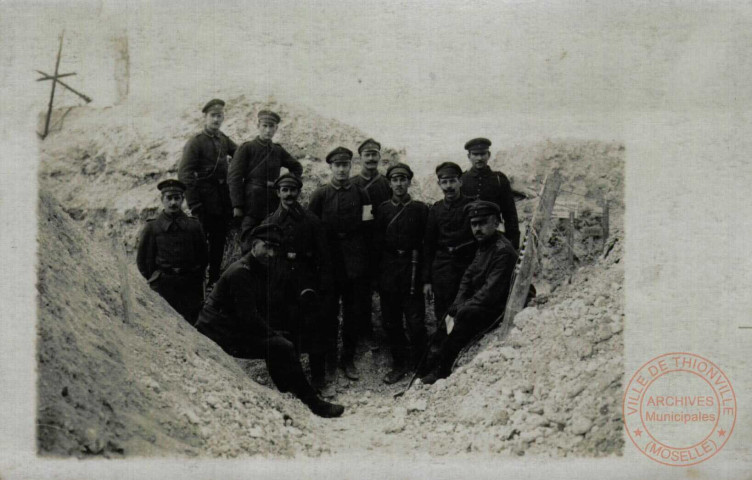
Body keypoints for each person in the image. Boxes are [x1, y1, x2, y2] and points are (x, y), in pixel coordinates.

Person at [193, 224, 344, 418]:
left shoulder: (259, 269)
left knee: (283, 339)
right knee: (281, 345)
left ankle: (287, 391)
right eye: (267, 247)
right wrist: (274, 334)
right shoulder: (241, 272)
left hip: (231, 327)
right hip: (217, 333)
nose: (271, 253)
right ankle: (314, 404)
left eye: (275, 248)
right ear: (254, 245)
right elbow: (249, 318)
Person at [420, 200, 517, 384]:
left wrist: (463, 306)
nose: (477, 229)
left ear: (496, 223)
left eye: (482, 223)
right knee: (448, 316)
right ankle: (429, 366)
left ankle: (443, 371)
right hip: (480, 300)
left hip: (496, 306)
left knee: (463, 316)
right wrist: (458, 301)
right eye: (474, 224)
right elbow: (468, 275)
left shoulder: (502, 251)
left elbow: (490, 291)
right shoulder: (484, 244)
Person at [263, 173, 334, 395]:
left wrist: (322, 286)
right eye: (285, 190)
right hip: (281, 284)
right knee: (285, 330)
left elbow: (324, 256)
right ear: (278, 193)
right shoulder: (270, 223)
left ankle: (319, 379)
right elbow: (264, 257)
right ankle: (290, 381)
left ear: (299, 192)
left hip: (307, 282)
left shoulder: (311, 221)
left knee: (314, 331)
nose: (289, 194)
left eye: (293, 190)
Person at [308, 147, 372, 381]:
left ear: (350, 166)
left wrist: (364, 259)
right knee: (328, 312)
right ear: (331, 168)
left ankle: (348, 358)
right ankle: (330, 360)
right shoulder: (320, 195)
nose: (342, 169)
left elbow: (368, 227)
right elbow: (311, 229)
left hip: (355, 261)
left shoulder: (362, 193)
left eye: (346, 165)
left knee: (353, 312)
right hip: (329, 260)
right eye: (338, 165)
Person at [373, 163, 429, 384]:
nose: (399, 184)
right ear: (389, 183)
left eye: (403, 179)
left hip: (412, 270)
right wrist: (376, 278)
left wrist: (425, 278)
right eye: (395, 180)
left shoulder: (420, 208)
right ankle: (399, 364)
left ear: (409, 181)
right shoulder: (383, 209)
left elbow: (427, 247)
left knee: (416, 323)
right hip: (388, 272)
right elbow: (375, 246)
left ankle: (421, 365)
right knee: (391, 322)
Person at [178, 98, 237, 289]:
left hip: (221, 202)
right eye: (213, 116)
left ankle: (213, 279)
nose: (216, 120)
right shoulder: (196, 142)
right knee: (200, 243)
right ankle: (197, 280)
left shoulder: (223, 140)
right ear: (205, 117)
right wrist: (194, 203)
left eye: (220, 116)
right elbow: (185, 173)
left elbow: (241, 154)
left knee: (218, 241)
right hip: (203, 202)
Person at [227, 110, 303, 250]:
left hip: (272, 202)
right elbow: (234, 177)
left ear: (276, 128)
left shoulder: (278, 150)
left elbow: (296, 167)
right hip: (251, 202)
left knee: (272, 240)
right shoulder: (247, 148)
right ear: (258, 125)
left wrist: (286, 184)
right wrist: (237, 205)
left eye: (271, 127)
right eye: (264, 126)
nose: (268, 130)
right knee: (249, 241)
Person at [136, 179, 208, 324]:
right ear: (162, 199)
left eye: (177, 198)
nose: (173, 202)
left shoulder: (194, 226)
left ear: (183, 199)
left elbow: (203, 257)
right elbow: (143, 261)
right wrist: (157, 277)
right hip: (163, 287)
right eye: (169, 198)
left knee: (190, 324)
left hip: (189, 286)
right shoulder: (153, 227)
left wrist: (194, 277)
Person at [422, 162, 476, 325]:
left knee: (466, 308)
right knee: (443, 311)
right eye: (444, 182)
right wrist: (427, 280)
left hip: (467, 266)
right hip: (442, 269)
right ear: (439, 185)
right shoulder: (436, 209)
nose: (449, 186)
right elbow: (428, 245)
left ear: (460, 182)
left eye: (452, 181)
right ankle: (443, 344)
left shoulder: (472, 206)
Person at [350, 138, 392, 347]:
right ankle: (362, 331)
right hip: (359, 246)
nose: (371, 158)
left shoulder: (386, 183)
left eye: (375, 154)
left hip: (382, 245)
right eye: (367, 154)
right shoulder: (353, 183)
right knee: (360, 290)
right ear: (360, 158)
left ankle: (388, 332)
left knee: (384, 288)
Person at [460, 137, 520, 248]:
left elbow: (510, 214)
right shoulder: (462, 180)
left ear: (489, 155)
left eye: (483, 154)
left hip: (493, 238)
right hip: (467, 240)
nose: (479, 158)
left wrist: (513, 243)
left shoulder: (499, 179)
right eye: (475, 154)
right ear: (469, 156)